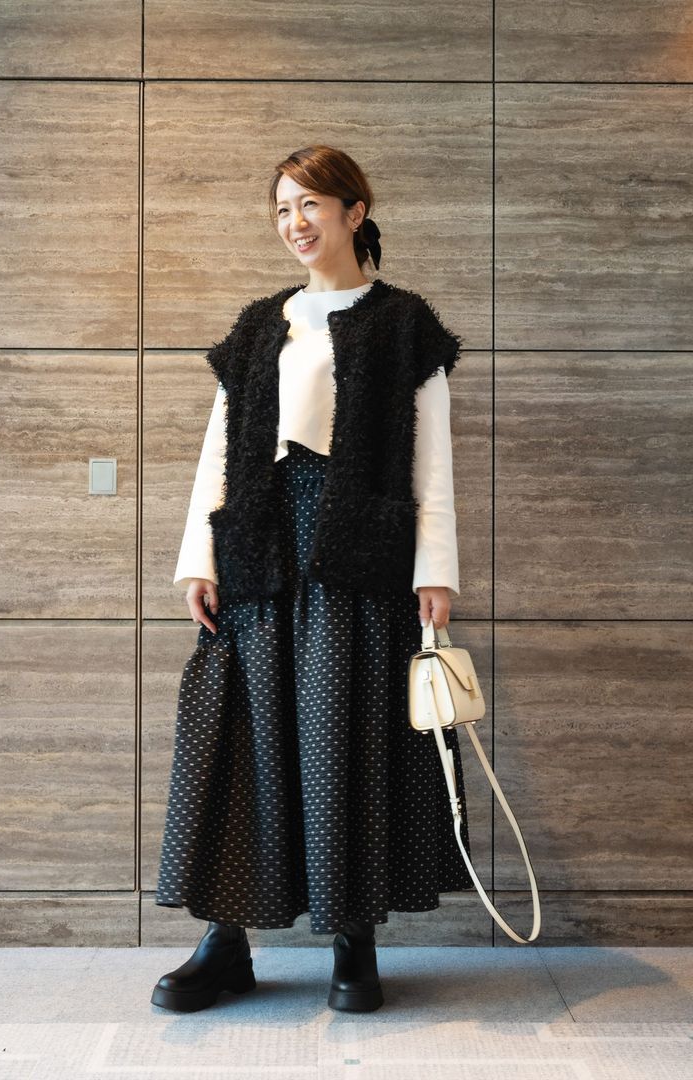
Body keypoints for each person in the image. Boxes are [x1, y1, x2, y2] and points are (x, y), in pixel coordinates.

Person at [151, 144, 474, 1015]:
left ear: (354, 212)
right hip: (258, 551)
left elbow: (431, 461)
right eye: (282, 209)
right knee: (241, 742)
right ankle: (226, 943)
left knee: (345, 738)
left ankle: (352, 939)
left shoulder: (404, 323)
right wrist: (199, 560)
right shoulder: (261, 325)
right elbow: (220, 453)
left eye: (310, 205)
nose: (294, 223)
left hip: (356, 557)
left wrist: (435, 572)